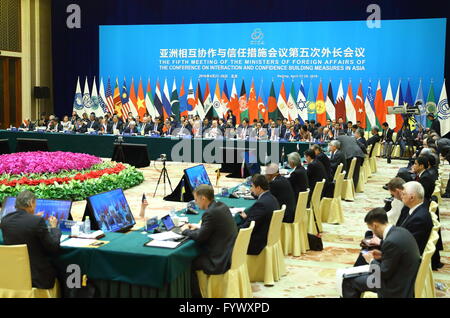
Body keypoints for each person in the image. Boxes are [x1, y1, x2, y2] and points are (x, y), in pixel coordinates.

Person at [341, 208, 420, 298]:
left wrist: (371, 260)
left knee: (349, 281)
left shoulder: (391, 242)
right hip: (402, 276)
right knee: (358, 275)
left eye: (371, 229)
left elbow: (382, 273)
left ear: (375, 225)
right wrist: (381, 256)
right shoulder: (400, 231)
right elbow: (397, 257)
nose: (373, 233)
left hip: (393, 286)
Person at [0, 191, 61, 289]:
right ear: (31, 203)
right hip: (38, 279)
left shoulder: (5, 220)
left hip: (13, 276)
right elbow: (54, 248)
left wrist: (32, 218)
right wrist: (54, 228)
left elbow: (22, 225)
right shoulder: (37, 221)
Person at [181, 185, 238, 275]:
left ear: (203, 198)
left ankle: (197, 289)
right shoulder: (222, 206)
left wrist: (185, 231)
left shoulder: (209, 213)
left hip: (218, 262)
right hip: (228, 255)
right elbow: (212, 228)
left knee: (186, 263)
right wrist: (200, 228)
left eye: (196, 199)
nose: (195, 203)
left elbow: (200, 237)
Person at [238, 174, 280, 255]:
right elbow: (258, 218)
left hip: (257, 243)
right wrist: (248, 217)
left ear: (259, 188)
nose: (251, 189)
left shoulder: (261, 204)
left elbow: (247, 227)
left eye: (252, 187)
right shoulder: (272, 198)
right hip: (268, 236)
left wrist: (232, 230)